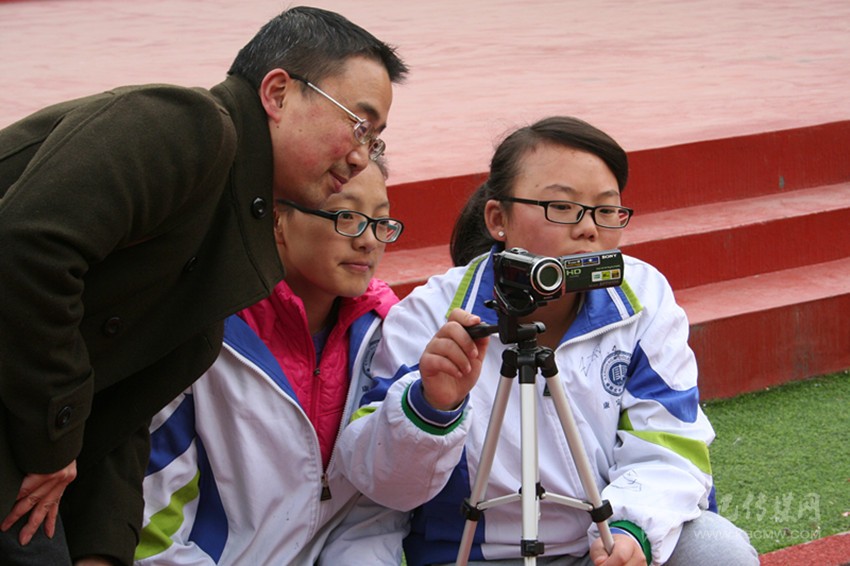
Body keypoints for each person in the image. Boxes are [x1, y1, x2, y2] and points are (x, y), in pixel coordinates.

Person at [0, 6, 408, 566]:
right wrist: (55, 440)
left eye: (377, 140)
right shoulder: (189, 125)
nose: (361, 157)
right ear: (278, 93)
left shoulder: (235, 233)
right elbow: (27, 247)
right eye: (358, 125)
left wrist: (103, 550)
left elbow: (127, 394)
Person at [336, 116, 759, 565]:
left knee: (719, 551)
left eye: (606, 210)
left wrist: (633, 528)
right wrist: (430, 407)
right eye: (562, 207)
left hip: (606, 544)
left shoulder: (642, 296)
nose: (589, 229)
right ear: (498, 219)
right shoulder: (429, 316)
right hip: (474, 556)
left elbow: (671, 442)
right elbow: (382, 487)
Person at [133, 160, 407, 565]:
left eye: (381, 221)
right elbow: (151, 532)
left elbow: (376, 515)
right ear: (277, 219)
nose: (368, 241)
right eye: (346, 217)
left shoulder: (386, 334)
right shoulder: (200, 337)